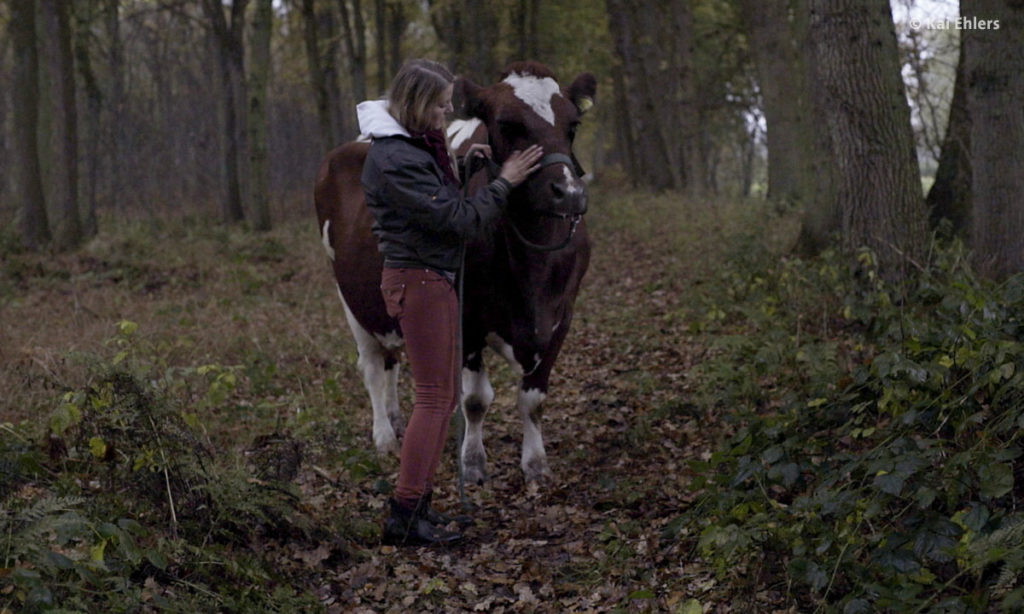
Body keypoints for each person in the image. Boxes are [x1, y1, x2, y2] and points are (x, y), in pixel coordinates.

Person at [358, 59, 544, 545]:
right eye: (440, 106)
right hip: (420, 283)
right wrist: (504, 182)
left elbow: (433, 199)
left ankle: (418, 504)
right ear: (418, 103)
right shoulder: (394, 157)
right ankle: (403, 515)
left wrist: (463, 165)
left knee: (438, 401)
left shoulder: (412, 148)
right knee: (436, 400)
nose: (446, 114)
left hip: (427, 277)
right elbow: (459, 220)